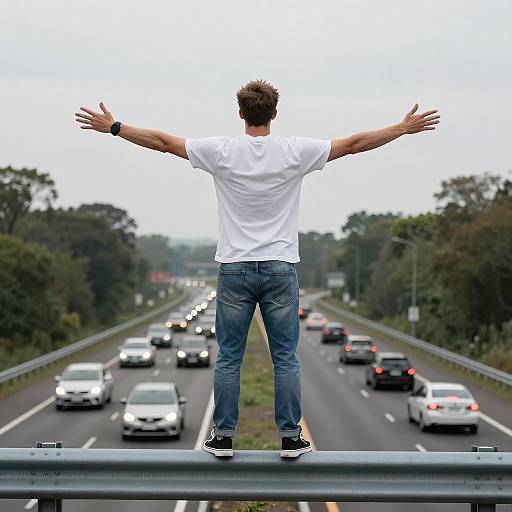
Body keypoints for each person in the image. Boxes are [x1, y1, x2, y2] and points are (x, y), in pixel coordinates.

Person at [75, 80, 440, 458]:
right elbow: (353, 144)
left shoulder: (221, 151)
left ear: (240, 114)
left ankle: (223, 437)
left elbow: (165, 143)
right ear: (275, 114)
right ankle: (289, 437)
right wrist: (401, 128)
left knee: (229, 356)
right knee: (285, 358)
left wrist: (116, 128)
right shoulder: (295, 151)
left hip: (234, 268)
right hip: (281, 268)